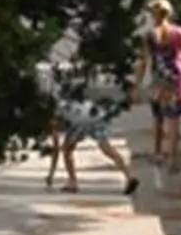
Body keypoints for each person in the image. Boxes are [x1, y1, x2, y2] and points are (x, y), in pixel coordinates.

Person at [37, 52, 137, 195]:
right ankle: (129, 176)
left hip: (79, 120)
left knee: (67, 149)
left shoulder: (55, 109)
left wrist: (51, 175)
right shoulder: (66, 94)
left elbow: (56, 146)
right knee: (106, 147)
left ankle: (73, 182)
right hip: (93, 113)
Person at [143, 0, 181, 167]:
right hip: (174, 80)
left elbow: (145, 59)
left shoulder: (150, 35)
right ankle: (172, 157)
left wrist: (138, 82)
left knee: (158, 118)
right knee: (173, 119)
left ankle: (157, 153)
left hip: (157, 81)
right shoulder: (178, 32)